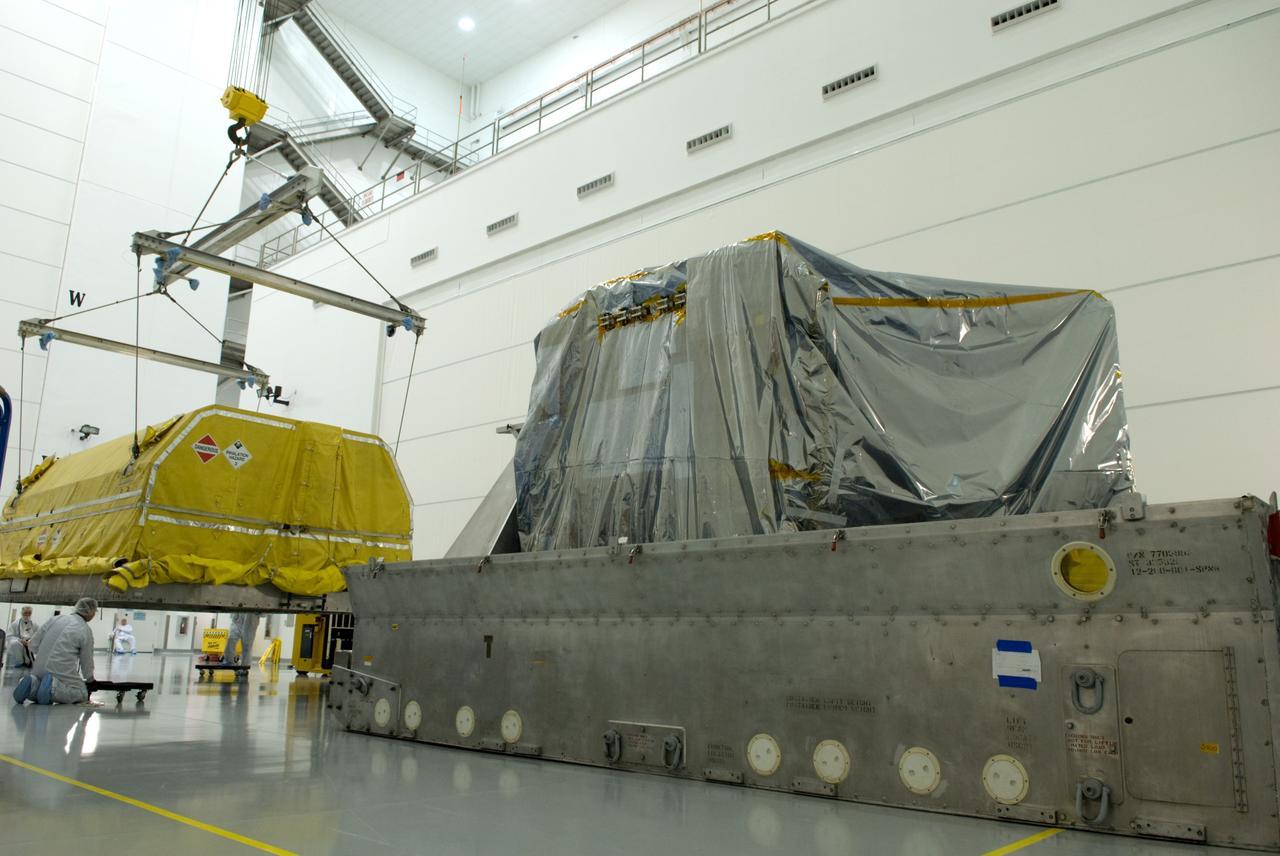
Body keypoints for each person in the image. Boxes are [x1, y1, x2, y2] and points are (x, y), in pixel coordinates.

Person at [13, 597, 97, 705]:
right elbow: (87, 659)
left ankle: (32, 684)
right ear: (90, 612)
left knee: (39, 685)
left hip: (38, 669)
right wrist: (90, 679)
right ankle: (52, 688)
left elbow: (33, 644)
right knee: (81, 692)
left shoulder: (56, 619)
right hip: (59, 672)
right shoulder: (85, 630)